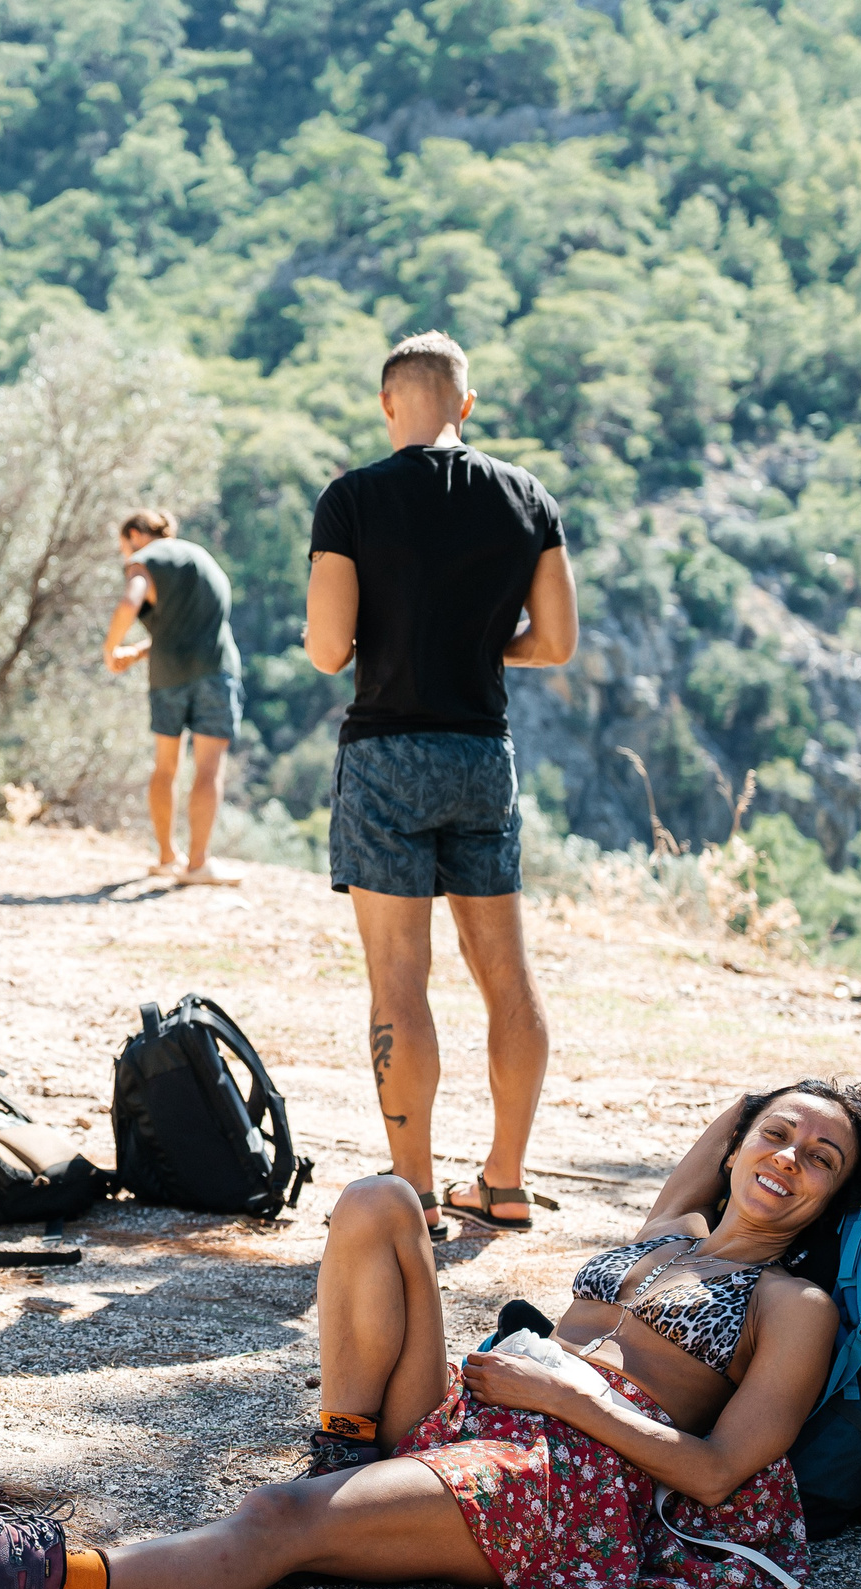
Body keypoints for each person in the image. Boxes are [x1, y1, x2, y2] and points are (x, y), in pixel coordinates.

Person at [0, 1080, 861, 1589]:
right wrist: (793, 1104)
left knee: (277, 1520)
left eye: (820, 1160)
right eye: (777, 1137)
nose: (786, 1161)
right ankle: (348, 1446)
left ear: (837, 1200)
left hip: (569, 1484)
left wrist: (564, 1390)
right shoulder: (672, 1228)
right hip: (478, 1415)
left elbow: (713, 1473)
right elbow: (737, 1110)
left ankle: (33, 1577)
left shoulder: (796, 1305)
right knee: (377, 1203)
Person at [302, 331, 577, 1241]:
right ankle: (505, 1180)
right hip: (481, 755)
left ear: (389, 405)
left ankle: (414, 1188)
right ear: (467, 402)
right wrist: (475, 644)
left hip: (387, 753)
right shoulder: (528, 497)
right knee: (506, 974)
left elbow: (327, 647)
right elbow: (556, 641)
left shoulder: (351, 499)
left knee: (399, 981)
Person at [101, 510, 244, 884]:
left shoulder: (144, 560)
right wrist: (139, 650)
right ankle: (198, 864)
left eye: (122, 547)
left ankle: (166, 856)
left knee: (166, 767)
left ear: (134, 534)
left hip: (167, 678)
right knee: (208, 768)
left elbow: (130, 602)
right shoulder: (201, 559)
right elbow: (190, 630)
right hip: (216, 671)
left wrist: (112, 648)